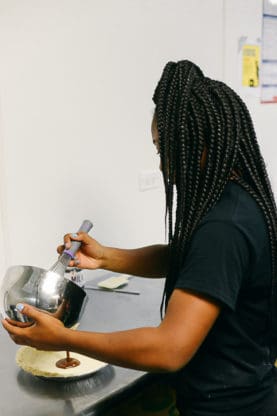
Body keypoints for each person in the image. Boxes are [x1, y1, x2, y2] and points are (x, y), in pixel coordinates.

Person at [2, 60, 277, 416]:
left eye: (165, 149)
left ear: (200, 141)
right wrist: (105, 257)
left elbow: (168, 349)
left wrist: (63, 338)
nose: (163, 166)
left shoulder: (224, 227)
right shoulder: (236, 200)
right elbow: (189, 258)